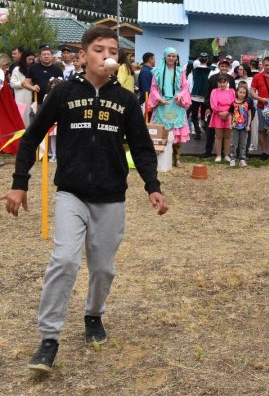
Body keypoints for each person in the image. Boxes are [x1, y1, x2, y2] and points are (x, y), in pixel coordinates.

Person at [1, 26, 168, 374]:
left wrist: (152, 185)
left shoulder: (125, 100)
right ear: (82, 55)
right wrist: (20, 183)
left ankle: (94, 314)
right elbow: (31, 139)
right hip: (71, 193)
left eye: (112, 50)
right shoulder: (62, 93)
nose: (106, 55)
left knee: (103, 268)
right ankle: (49, 339)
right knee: (63, 260)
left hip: (111, 197)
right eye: (98, 49)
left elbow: (140, 146)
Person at [148, 48, 191, 167]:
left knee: (176, 132)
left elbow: (185, 87)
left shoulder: (180, 70)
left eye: (174, 56)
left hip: (176, 104)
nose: (171, 58)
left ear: (176, 58)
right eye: (169, 56)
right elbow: (153, 88)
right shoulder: (157, 71)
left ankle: (177, 158)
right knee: (163, 132)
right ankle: (161, 157)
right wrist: (158, 99)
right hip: (162, 104)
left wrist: (180, 96)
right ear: (165, 57)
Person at [209, 74, 235, 164]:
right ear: (217, 83)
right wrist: (220, 112)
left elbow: (234, 103)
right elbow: (213, 103)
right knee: (219, 136)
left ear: (227, 83)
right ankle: (218, 155)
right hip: (217, 115)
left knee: (228, 136)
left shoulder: (232, 91)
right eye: (220, 82)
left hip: (229, 115)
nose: (222, 84)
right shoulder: (214, 91)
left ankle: (227, 155)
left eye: (224, 82)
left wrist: (227, 112)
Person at [9, 48, 36, 127]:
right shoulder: (17, 69)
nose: (31, 61)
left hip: (32, 100)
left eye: (32, 59)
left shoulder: (34, 69)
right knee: (21, 121)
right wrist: (22, 83)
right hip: (21, 100)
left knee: (31, 121)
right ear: (24, 58)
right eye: (29, 59)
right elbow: (12, 83)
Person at [189, 53, 211, 141]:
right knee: (204, 115)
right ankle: (206, 130)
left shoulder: (194, 70)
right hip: (205, 96)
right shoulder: (211, 71)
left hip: (195, 96)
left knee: (194, 116)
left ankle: (198, 132)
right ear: (207, 60)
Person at [229, 84, 252, 167]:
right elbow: (231, 114)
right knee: (233, 143)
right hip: (235, 127)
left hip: (244, 127)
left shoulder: (247, 103)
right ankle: (233, 159)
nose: (242, 94)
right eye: (240, 92)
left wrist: (248, 125)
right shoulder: (233, 103)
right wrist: (230, 123)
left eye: (244, 93)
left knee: (243, 144)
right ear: (237, 92)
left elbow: (249, 115)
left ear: (246, 94)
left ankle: (242, 159)